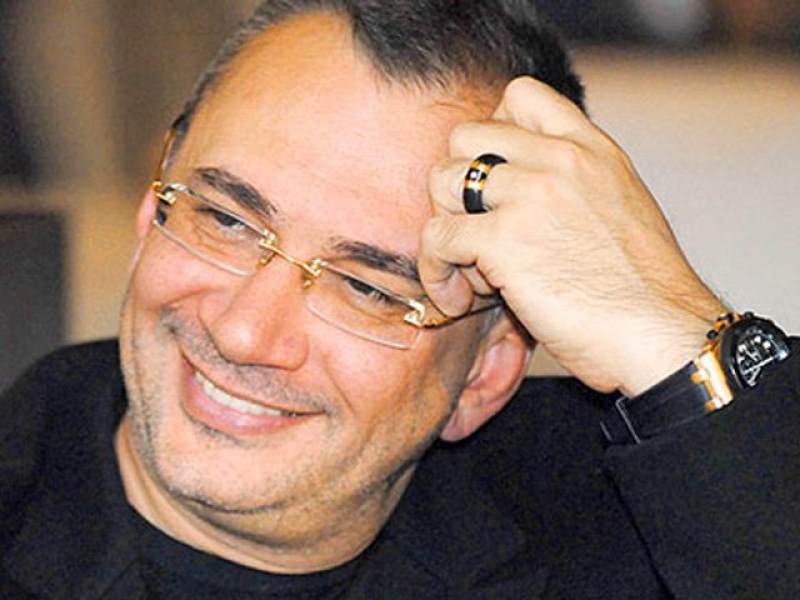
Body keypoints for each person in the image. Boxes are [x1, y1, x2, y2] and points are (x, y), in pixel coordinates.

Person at [2, 1, 798, 598]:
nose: (245, 332)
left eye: (366, 288)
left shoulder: (627, 527)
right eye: (226, 221)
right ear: (152, 214)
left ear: (483, 376)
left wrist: (671, 334)